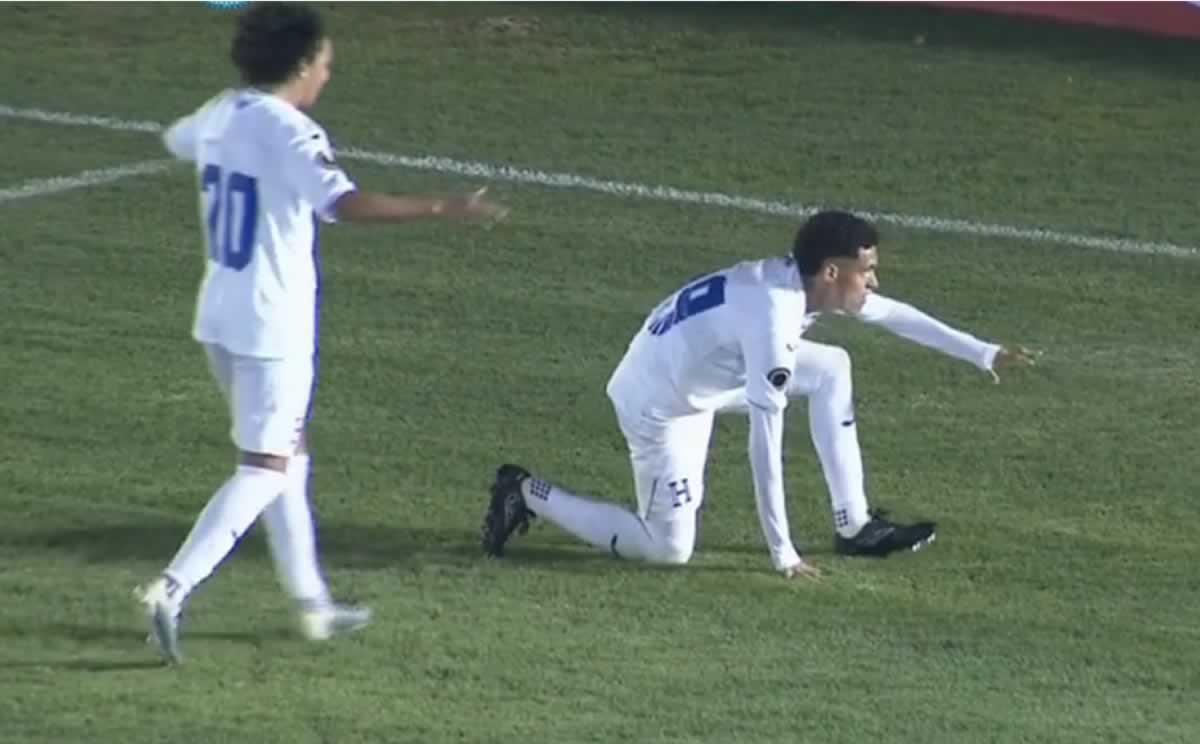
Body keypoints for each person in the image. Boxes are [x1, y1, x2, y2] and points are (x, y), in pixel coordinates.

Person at [137, 2, 507, 664]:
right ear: (303, 63)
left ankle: (312, 605)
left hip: (219, 316)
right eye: (326, 63)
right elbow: (342, 203)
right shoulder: (291, 131)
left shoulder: (221, 112)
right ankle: (172, 587)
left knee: (289, 454)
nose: (328, 75)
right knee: (264, 467)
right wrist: (442, 206)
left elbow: (175, 139)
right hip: (271, 325)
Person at [482, 210, 1033, 577]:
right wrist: (782, 553)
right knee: (667, 551)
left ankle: (856, 526)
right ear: (832, 271)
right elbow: (763, 445)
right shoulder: (774, 318)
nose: (874, 282)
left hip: (701, 374)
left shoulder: (798, 283)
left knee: (832, 367)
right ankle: (526, 491)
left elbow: (894, 315)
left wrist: (984, 353)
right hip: (659, 404)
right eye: (867, 271)